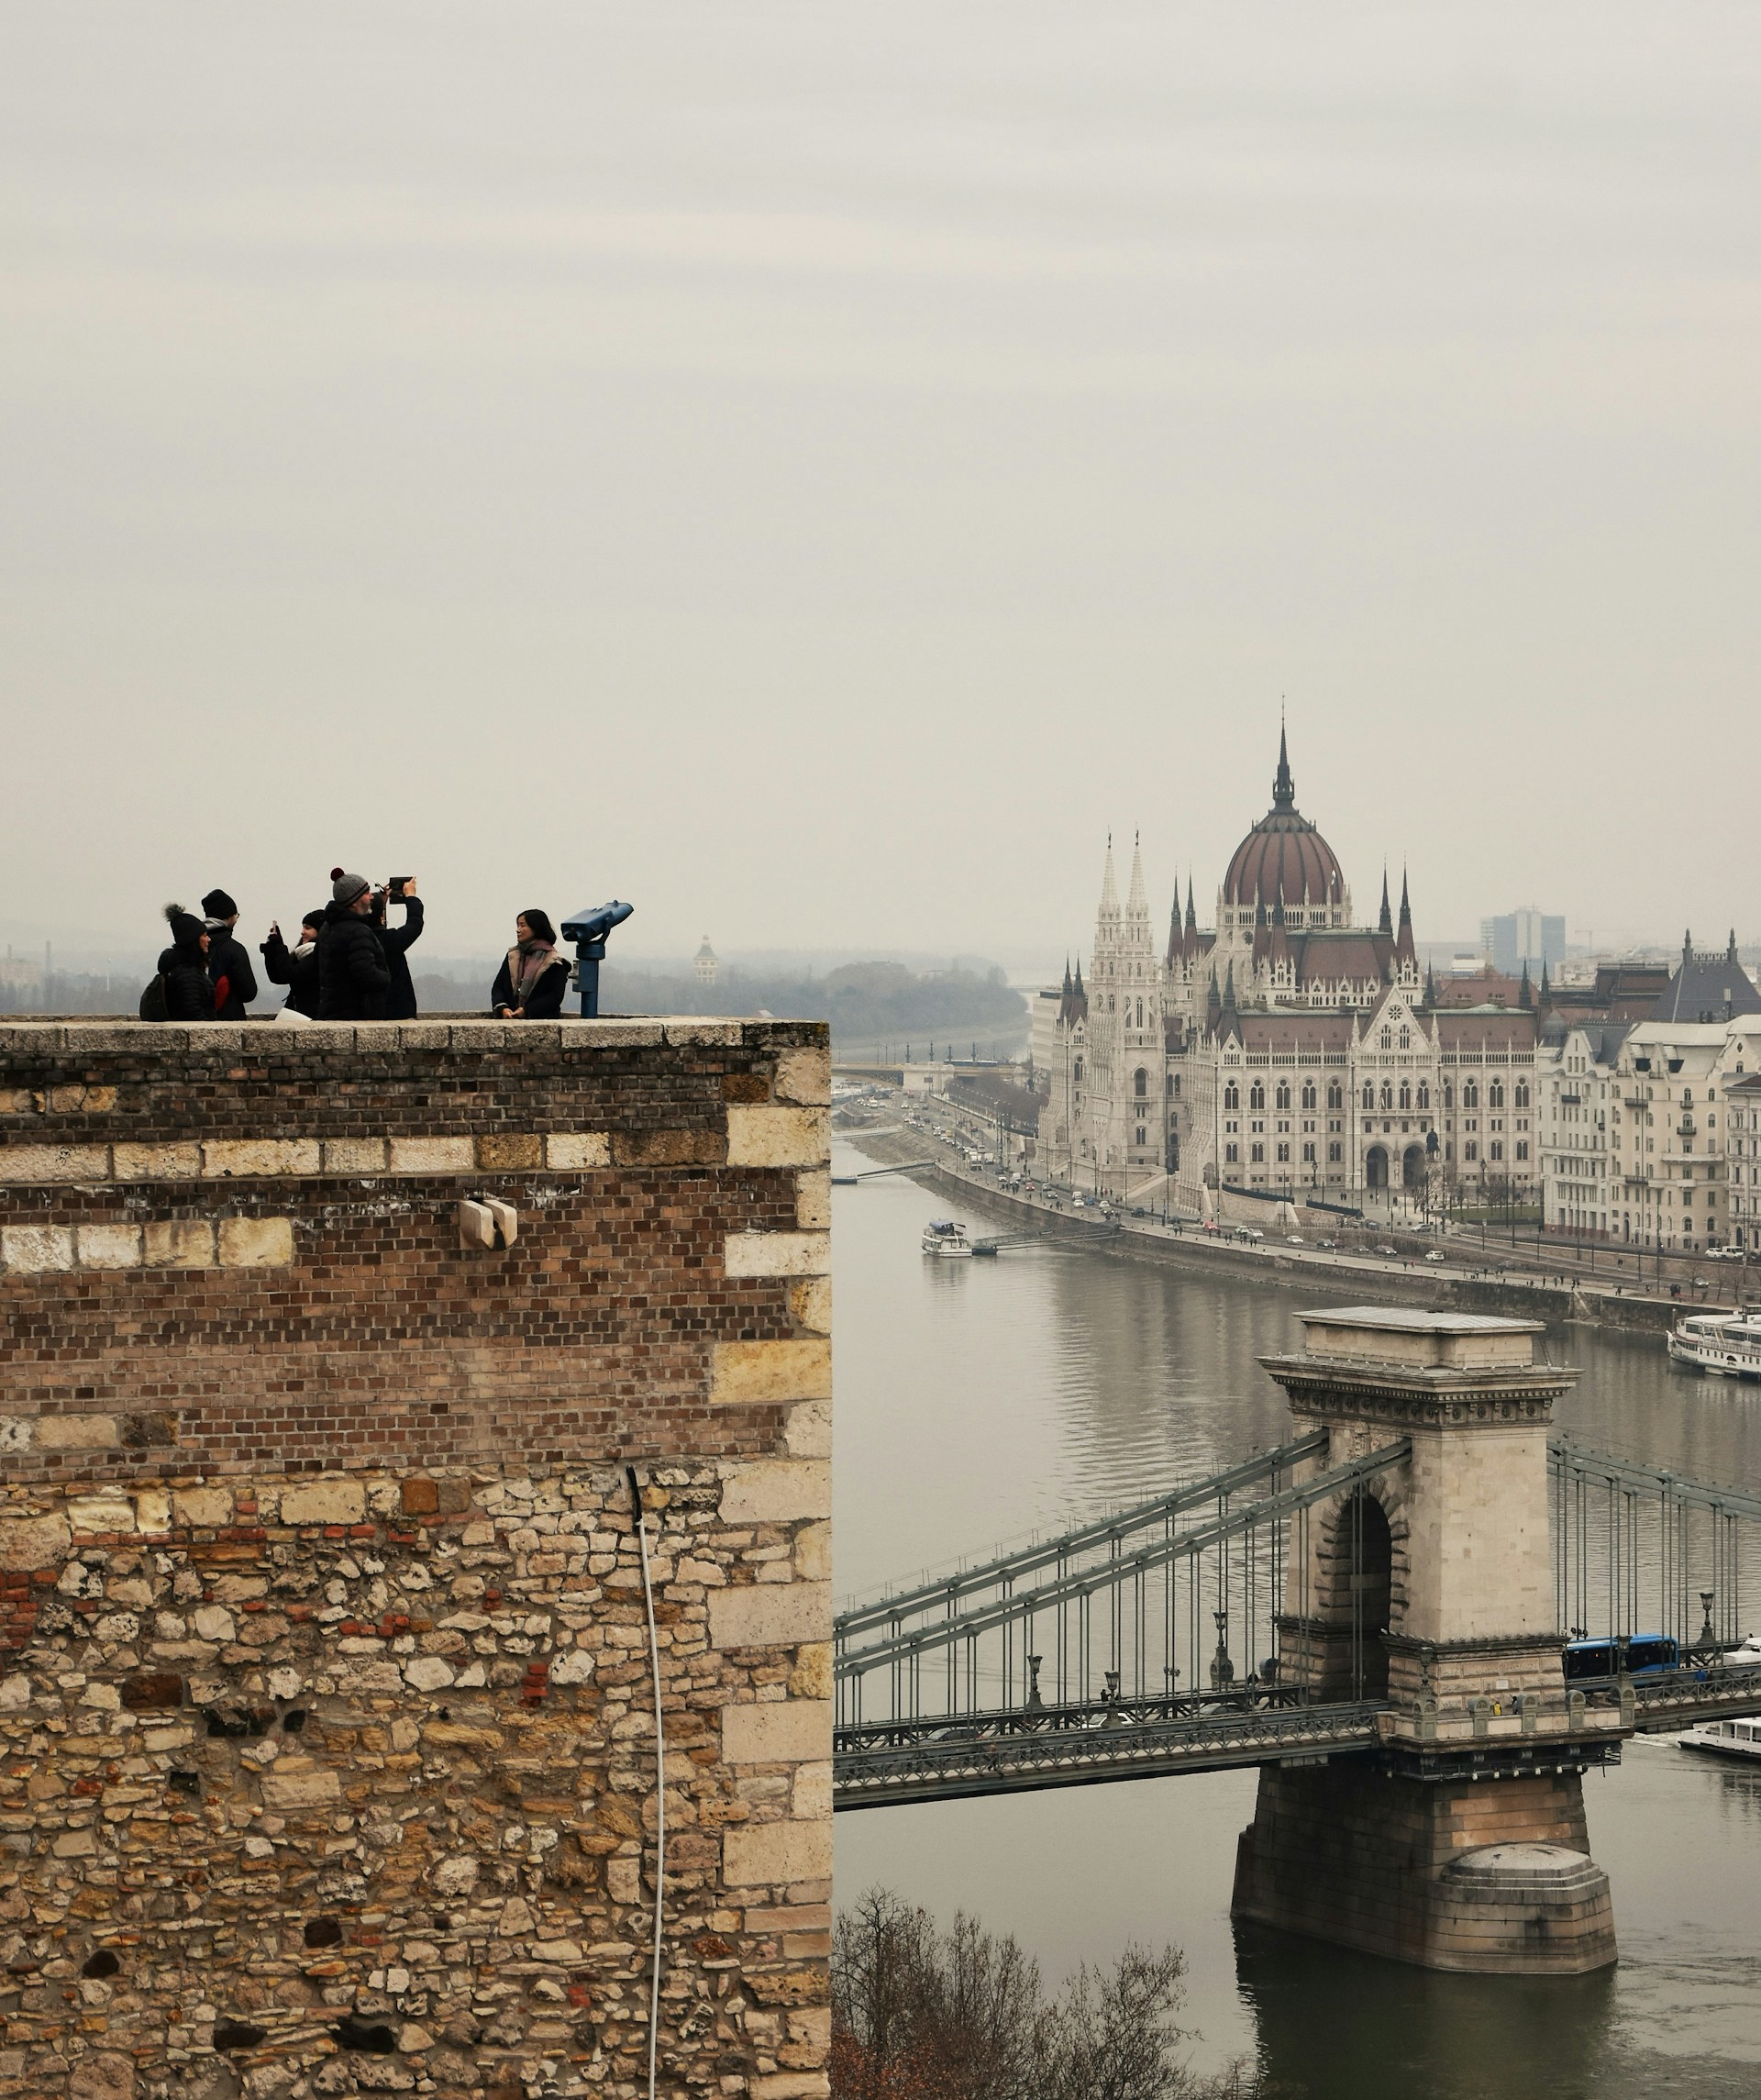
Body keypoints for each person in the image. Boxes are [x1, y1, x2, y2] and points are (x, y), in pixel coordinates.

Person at [317, 870, 392, 1020]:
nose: (371, 897)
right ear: (354, 900)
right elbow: (367, 976)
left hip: (331, 1010)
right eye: (367, 893)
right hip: (357, 1013)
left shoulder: (328, 927)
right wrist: (386, 977)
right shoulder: (358, 932)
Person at [491, 910, 571, 1019]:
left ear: (536, 928)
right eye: (518, 925)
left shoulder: (554, 961)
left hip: (543, 1022)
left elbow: (554, 996)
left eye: (522, 925)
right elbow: (498, 987)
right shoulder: (513, 956)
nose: (518, 930)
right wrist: (503, 1008)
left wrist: (527, 1010)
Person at [200, 888, 259, 1020]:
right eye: (236, 915)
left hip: (197, 1018)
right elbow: (248, 993)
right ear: (229, 916)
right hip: (229, 1018)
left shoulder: (194, 945)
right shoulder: (234, 949)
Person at [373, 878, 426, 1019]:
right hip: (396, 1012)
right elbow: (414, 925)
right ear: (381, 917)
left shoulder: (357, 938)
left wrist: (379, 902)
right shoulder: (389, 941)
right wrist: (411, 897)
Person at [260, 908, 326, 1019]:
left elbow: (289, 974)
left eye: (308, 928)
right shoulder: (302, 953)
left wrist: (279, 946)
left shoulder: (318, 955)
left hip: (310, 1015)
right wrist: (271, 952)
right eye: (303, 927)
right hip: (297, 1012)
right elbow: (277, 977)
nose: (302, 932)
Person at [154, 906, 217, 1020]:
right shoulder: (188, 973)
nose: (208, 939)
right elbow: (193, 1013)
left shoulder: (181, 968)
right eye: (204, 935)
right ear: (193, 941)